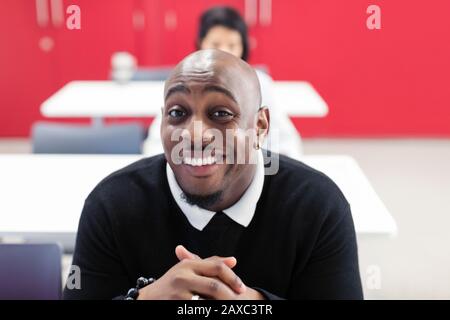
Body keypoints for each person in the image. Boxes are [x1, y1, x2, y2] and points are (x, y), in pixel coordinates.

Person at [64, 50, 363, 300]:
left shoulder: (318, 207)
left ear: (260, 126)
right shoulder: (111, 205)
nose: (194, 134)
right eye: (178, 113)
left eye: (221, 114)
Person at [143, 6, 303, 159]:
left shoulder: (261, 84)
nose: (224, 52)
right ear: (201, 44)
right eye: (215, 44)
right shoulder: (183, 82)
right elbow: (157, 144)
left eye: (232, 45)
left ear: (243, 47)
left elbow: (285, 142)